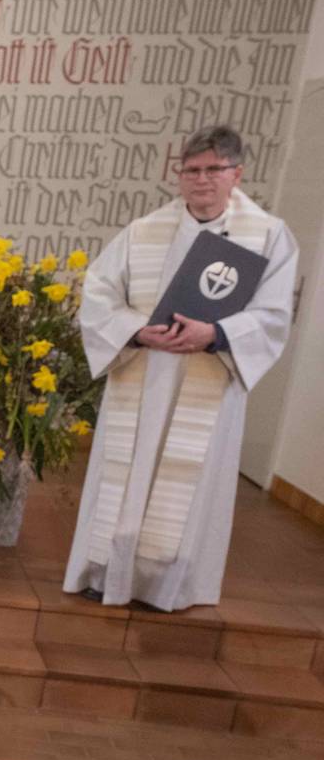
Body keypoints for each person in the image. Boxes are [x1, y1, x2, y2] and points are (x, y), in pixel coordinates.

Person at [62, 125, 299, 611]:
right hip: (144, 372)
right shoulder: (144, 231)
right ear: (179, 175)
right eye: (192, 170)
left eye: (214, 169)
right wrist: (134, 330)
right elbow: (99, 293)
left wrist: (215, 335)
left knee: (184, 487)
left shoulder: (268, 236)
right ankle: (106, 570)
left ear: (238, 173)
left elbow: (274, 315)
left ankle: (164, 585)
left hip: (209, 376)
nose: (202, 179)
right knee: (124, 476)